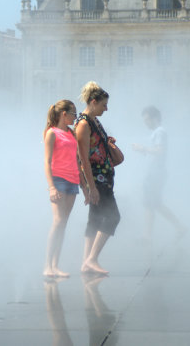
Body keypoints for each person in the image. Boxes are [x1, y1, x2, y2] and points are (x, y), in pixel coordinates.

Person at [74, 81, 122, 275]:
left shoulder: (93, 121)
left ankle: (86, 262)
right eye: (103, 105)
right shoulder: (84, 124)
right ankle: (92, 259)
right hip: (97, 178)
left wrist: (107, 143)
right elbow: (83, 158)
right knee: (113, 217)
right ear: (93, 102)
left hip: (104, 175)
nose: (106, 108)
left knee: (94, 219)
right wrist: (90, 187)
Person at [132, 106, 186, 240]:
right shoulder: (157, 132)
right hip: (154, 171)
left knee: (151, 203)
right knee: (152, 203)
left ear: (154, 118)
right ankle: (176, 228)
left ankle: (149, 235)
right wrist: (143, 151)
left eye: (147, 119)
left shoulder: (160, 132)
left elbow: (160, 150)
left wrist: (142, 148)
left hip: (156, 172)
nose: (145, 123)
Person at [43, 100, 81, 278]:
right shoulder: (52, 133)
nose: (75, 117)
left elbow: (77, 159)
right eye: (73, 113)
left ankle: (55, 265)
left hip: (72, 180)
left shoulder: (71, 133)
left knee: (63, 224)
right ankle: (47, 265)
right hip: (58, 180)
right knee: (58, 221)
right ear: (63, 114)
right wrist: (51, 187)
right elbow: (47, 161)